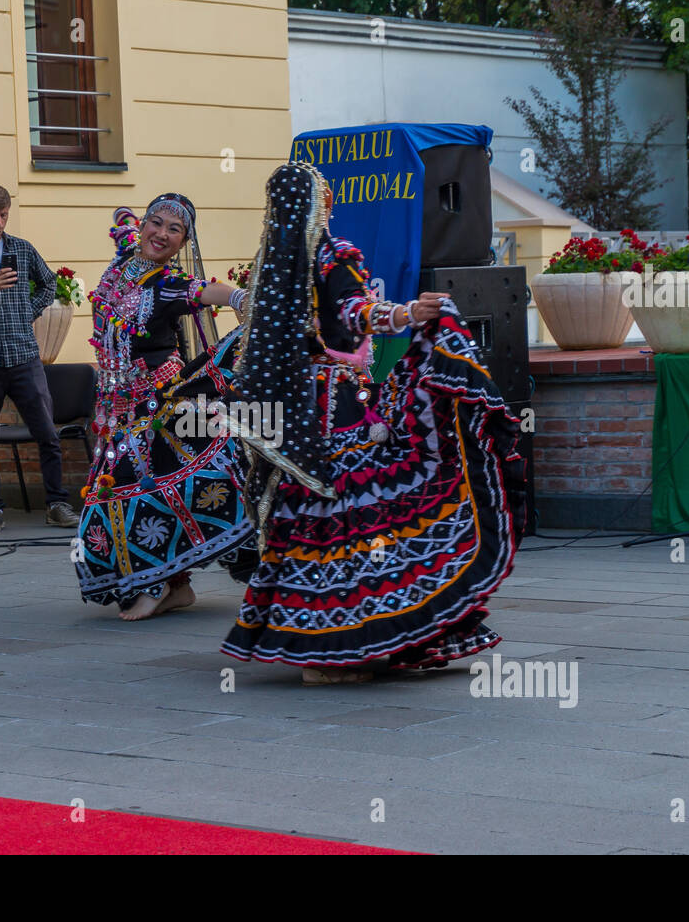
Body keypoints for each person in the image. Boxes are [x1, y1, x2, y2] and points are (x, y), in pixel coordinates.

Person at [221, 162, 527, 685]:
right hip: (336, 411)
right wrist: (410, 314)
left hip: (291, 421)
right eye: (326, 198)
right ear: (322, 205)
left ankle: (321, 646)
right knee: (361, 514)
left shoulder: (270, 267)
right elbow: (356, 311)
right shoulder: (328, 256)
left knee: (312, 520)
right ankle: (361, 643)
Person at [74, 194, 254, 620]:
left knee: (140, 491)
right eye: (155, 223)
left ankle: (156, 585)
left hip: (158, 403)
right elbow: (119, 219)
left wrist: (243, 300)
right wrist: (123, 216)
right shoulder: (123, 259)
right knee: (122, 491)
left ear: (183, 243)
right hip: (116, 405)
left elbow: (207, 290)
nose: (161, 234)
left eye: (174, 230)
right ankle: (177, 587)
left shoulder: (168, 284)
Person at [0, 184, 80, 533]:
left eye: (4, 215)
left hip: (23, 355)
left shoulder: (21, 249)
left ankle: (56, 503)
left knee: (47, 432)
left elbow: (49, 283)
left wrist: (28, 312)